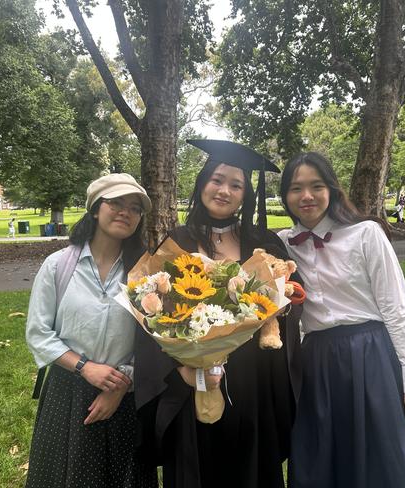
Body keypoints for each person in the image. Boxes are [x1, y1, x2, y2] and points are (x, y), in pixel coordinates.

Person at [135, 139, 302, 488]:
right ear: (202, 183)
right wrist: (182, 368)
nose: (224, 190)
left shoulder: (265, 242)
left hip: (255, 380)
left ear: (246, 195)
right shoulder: (176, 242)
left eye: (236, 185)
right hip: (194, 380)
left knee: (251, 470)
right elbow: (153, 313)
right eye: (217, 179)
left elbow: (288, 306)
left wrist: (277, 307)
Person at [277, 152, 405, 488]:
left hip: (371, 357)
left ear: (332, 190)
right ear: (285, 195)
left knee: (385, 458)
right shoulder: (282, 244)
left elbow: (398, 308)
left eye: (316, 186)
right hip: (316, 364)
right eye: (296, 188)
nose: (306, 196)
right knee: (323, 458)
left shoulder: (366, 234)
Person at [25, 173, 158, 488]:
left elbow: (157, 341)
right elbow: (39, 333)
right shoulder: (58, 266)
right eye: (115, 203)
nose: (125, 211)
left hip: (124, 395)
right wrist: (85, 367)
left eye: (135, 207)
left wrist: (120, 386)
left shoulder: (147, 274)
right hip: (68, 394)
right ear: (96, 209)